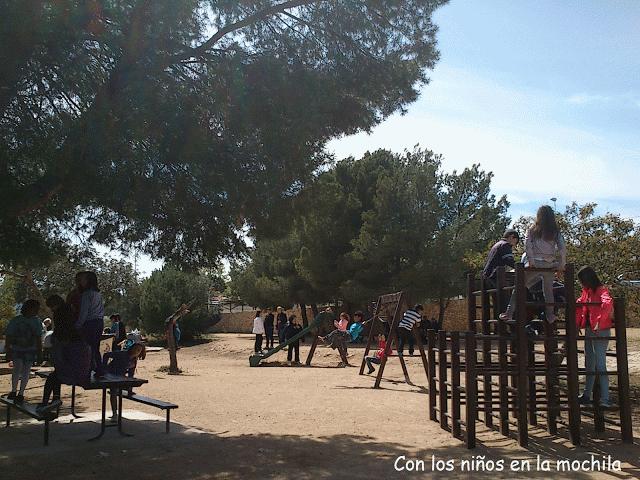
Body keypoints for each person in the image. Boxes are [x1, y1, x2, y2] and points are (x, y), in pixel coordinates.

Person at [501, 206, 566, 323]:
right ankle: (550, 315)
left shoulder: (533, 229)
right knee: (548, 290)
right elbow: (562, 248)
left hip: (535, 263)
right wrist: (562, 264)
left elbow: (528, 245)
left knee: (519, 287)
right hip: (549, 264)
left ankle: (509, 313)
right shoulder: (554, 231)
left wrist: (531, 260)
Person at [38, 295, 91, 411]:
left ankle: (46, 401)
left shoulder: (65, 342)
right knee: (55, 376)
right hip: (83, 373)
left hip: (75, 374)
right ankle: (55, 398)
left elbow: (61, 361)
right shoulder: (80, 341)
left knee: (53, 377)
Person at [575, 266, 613, 407]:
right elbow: (581, 306)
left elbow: (607, 303)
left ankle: (605, 399)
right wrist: (578, 324)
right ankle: (586, 394)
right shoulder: (587, 292)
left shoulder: (601, 290)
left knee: (600, 364)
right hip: (590, 329)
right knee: (589, 362)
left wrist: (598, 322)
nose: (580, 283)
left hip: (600, 330)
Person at [4, 300, 43, 403]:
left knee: (26, 370)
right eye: (36, 309)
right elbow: (9, 335)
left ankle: (21, 393)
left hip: (30, 349)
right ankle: (13, 390)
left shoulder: (37, 321)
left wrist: (39, 352)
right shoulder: (16, 320)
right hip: (17, 348)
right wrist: (8, 349)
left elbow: (38, 337)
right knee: (17, 368)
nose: (37, 311)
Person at [103, 343, 146, 419]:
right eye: (135, 348)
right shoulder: (122, 354)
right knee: (114, 392)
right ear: (131, 348)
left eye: (139, 350)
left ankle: (116, 413)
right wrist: (104, 368)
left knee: (117, 391)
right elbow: (106, 355)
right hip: (111, 375)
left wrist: (130, 388)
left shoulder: (134, 360)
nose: (136, 351)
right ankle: (114, 413)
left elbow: (131, 374)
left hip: (120, 377)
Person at [75, 271, 105, 376]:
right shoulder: (98, 293)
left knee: (86, 347)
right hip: (99, 322)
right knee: (95, 347)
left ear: (88, 281)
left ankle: (87, 370)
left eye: (83, 279)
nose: (80, 282)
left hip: (90, 323)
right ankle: (99, 368)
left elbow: (84, 312)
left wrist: (78, 325)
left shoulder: (86, 294)